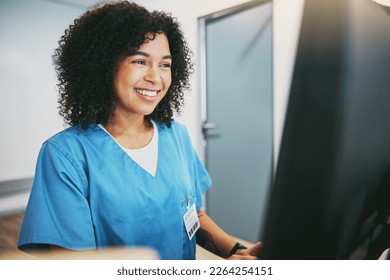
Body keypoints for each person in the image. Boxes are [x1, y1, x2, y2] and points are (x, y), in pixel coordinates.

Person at [17, 1, 262, 260]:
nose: (156, 77)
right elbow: (76, 265)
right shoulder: (66, 155)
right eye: (140, 61)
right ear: (103, 65)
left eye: (165, 64)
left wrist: (237, 253)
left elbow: (192, 214)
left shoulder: (176, 135)